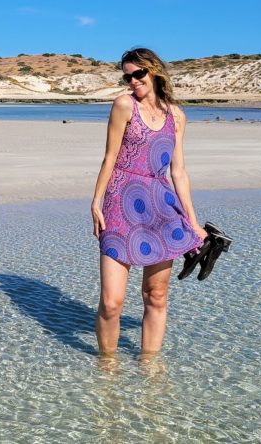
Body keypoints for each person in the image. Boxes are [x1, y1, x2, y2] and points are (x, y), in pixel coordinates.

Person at [89, 47, 208, 356]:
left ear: (154, 70)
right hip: (120, 204)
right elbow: (110, 157)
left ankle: (150, 368)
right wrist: (96, 202)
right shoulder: (124, 105)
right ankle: (107, 369)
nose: (132, 81)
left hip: (161, 207)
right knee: (111, 302)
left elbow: (179, 171)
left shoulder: (177, 116)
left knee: (155, 295)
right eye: (127, 76)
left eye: (138, 74)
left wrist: (194, 223)